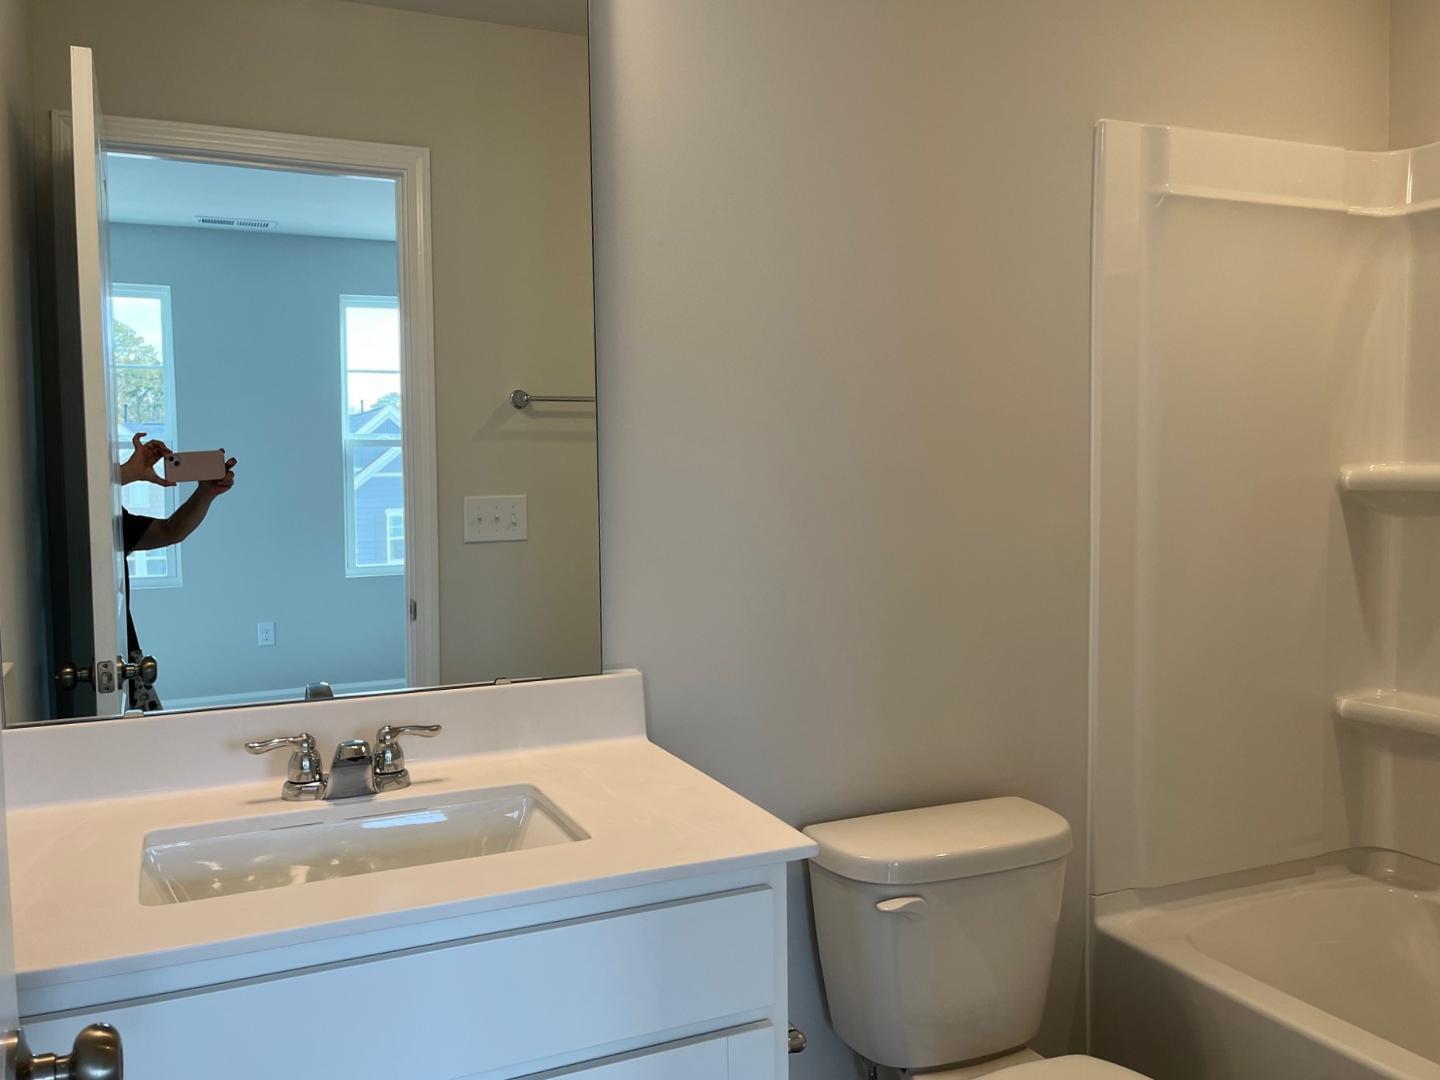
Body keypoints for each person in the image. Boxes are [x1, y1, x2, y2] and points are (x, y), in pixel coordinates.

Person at [119, 431, 238, 710]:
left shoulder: (109, 517)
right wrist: (128, 473)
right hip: (113, 662)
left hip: (124, 659)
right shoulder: (85, 512)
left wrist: (205, 492)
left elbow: (171, 530)